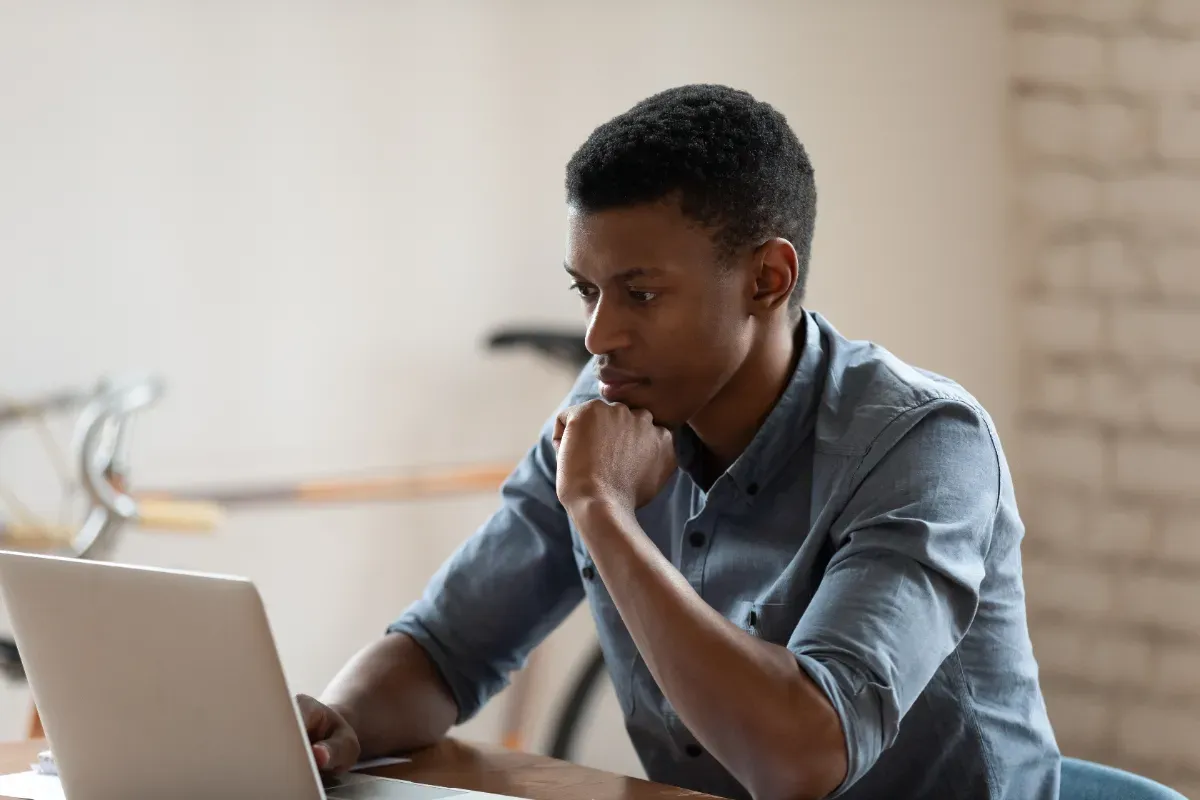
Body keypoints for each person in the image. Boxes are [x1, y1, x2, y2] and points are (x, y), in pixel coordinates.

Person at [296, 84, 1060, 800]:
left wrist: (601, 510)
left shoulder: (925, 446)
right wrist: (339, 725)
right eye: (587, 291)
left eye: (641, 293)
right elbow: (446, 649)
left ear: (767, 279)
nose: (599, 336)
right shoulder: (601, 409)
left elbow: (804, 757)